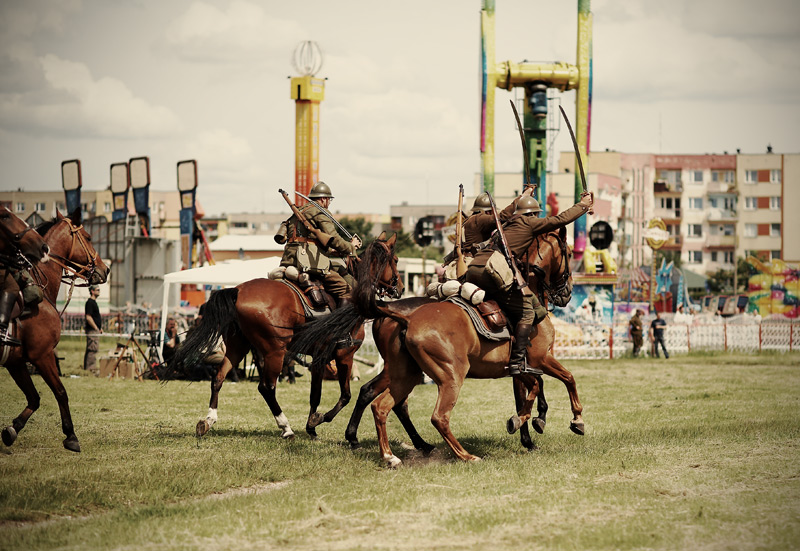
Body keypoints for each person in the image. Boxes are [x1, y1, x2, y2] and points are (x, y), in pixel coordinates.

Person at [466, 191, 593, 375]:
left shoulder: (507, 223)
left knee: (532, 302)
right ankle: (518, 361)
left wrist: (522, 195)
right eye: (536, 214)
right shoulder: (528, 223)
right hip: (491, 270)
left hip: (474, 267)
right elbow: (560, 220)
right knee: (526, 311)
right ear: (532, 214)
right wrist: (583, 205)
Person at [274, 181, 361, 308]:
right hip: (309, 263)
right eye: (329, 200)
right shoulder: (320, 213)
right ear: (324, 199)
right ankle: (341, 326)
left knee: (338, 267)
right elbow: (335, 239)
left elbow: (308, 242)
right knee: (346, 290)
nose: (329, 203)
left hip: (289, 261)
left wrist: (333, 252)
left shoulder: (297, 213)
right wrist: (351, 246)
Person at [83, 284, 102, 374]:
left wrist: (99, 328)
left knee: (92, 348)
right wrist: (95, 328)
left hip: (95, 329)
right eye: (97, 290)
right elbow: (88, 317)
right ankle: (90, 368)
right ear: (92, 291)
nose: (99, 291)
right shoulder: (90, 302)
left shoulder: (94, 302)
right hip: (92, 330)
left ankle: (88, 367)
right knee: (92, 349)